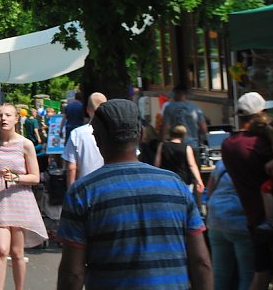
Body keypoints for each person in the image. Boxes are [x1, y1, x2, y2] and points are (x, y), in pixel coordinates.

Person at [57, 99, 212, 290]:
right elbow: (201, 263)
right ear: (141, 135)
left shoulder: (82, 193)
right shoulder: (175, 185)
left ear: (97, 138)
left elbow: (72, 274)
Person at [223, 92, 273, 289]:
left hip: (254, 218)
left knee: (262, 271)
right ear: (261, 114)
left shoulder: (228, 144)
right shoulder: (264, 143)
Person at [0, 103, 47, 290]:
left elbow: (35, 177)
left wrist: (17, 178)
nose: (3, 118)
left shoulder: (26, 144)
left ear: (16, 119)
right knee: (1, 250)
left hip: (20, 199)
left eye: (8, 115)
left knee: (17, 252)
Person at [205, 159, 254, 290]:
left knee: (220, 274)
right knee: (247, 275)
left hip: (216, 219)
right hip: (241, 221)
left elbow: (209, 191)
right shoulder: (252, 161)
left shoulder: (222, 163)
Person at [62, 92, 107, 187]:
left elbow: (71, 168)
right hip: (111, 186)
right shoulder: (117, 131)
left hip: (86, 187)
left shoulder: (76, 134)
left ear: (87, 110)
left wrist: (71, 191)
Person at [155, 124, 205, 195]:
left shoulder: (162, 145)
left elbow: (157, 164)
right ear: (183, 135)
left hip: (166, 179)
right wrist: (199, 180)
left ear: (170, 134)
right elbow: (192, 165)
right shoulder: (187, 148)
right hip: (183, 180)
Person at [161, 84, 208, 157]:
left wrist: (162, 142)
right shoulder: (195, 107)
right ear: (186, 94)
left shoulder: (169, 108)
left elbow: (165, 127)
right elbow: (204, 129)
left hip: (176, 146)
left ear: (175, 93)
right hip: (193, 145)